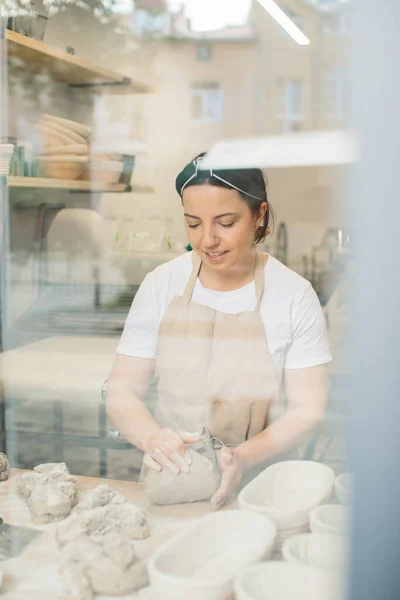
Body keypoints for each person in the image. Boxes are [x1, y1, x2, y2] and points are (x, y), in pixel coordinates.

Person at [106, 152, 331, 508]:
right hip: (173, 483)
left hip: (262, 490)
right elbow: (121, 390)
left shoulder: (293, 295)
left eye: (225, 223)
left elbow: (309, 410)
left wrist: (242, 458)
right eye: (193, 223)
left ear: (259, 215)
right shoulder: (162, 285)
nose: (207, 239)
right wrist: (153, 440)